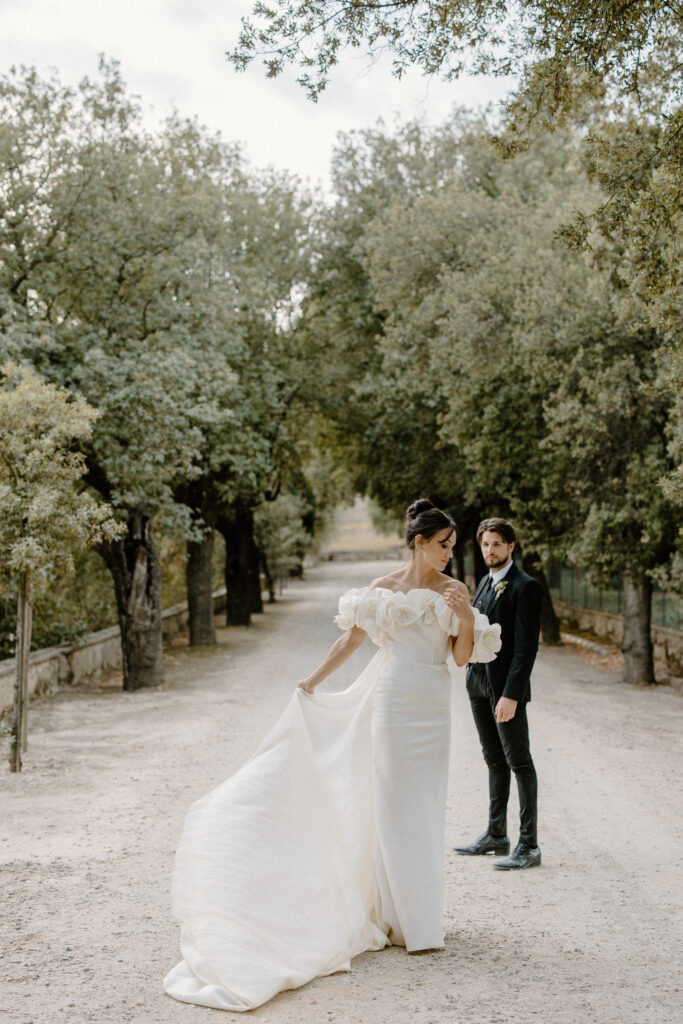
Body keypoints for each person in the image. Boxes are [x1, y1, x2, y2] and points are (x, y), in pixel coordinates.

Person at [163, 499, 501, 1012]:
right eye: (443, 545)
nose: (451, 555)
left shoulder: (454, 592)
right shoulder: (384, 590)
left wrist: (465, 619)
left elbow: (458, 660)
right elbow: (351, 641)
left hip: (433, 710)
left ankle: (420, 921)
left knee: (426, 809)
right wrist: (311, 682)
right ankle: (390, 918)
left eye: (454, 546)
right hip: (392, 703)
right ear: (419, 542)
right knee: (392, 807)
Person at [450, 516, 542, 870]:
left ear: (511, 547)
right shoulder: (486, 584)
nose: (490, 550)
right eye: (485, 544)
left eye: (497, 544)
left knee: (520, 762)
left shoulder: (525, 587)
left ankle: (529, 845)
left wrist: (511, 695)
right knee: (494, 760)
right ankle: (496, 835)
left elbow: (525, 649)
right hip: (478, 684)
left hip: (505, 691)